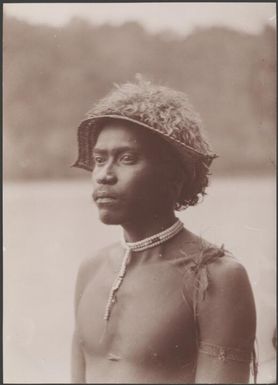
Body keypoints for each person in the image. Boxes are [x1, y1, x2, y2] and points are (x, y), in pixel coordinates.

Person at [71, 76, 257, 384]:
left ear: (174, 177)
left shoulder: (216, 277)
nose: (104, 175)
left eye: (127, 159)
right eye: (99, 159)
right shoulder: (91, 270)